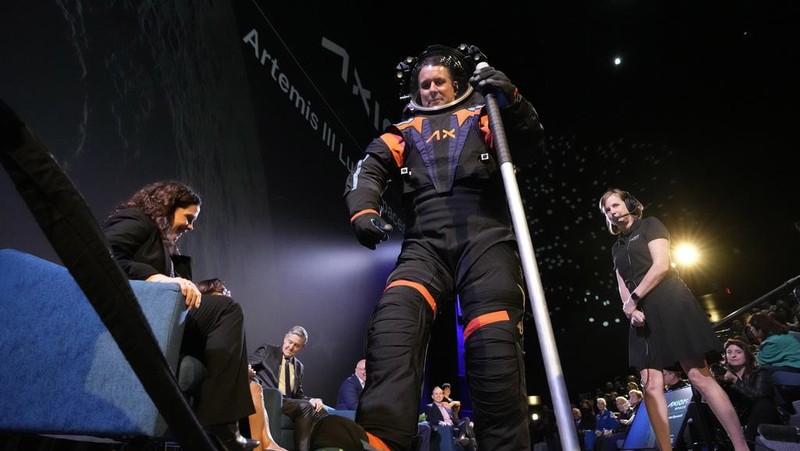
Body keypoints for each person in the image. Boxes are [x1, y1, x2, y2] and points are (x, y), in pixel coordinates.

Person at [335, 43, 545, 451]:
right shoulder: (402, 131)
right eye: (425, 83)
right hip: (425, 246)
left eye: (439, 82)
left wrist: (514, 102)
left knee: (494, 346)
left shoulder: (484, 116)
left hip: (486, 241)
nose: (431, 89)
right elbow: (368, 169)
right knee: (393, 325)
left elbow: (529, 144)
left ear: (457, 84)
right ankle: (380, 441)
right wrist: (363, 211)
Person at [102, 181, 258, 450]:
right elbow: (104, 254)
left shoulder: (168, 248)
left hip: (165, 321)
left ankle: (220, 424)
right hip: (137, 317)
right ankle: (219, 424)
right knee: (226, 309)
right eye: (188, 218)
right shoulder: (136, 220)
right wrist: (155, 277)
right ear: (168, 206)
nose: (191, 227)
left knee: (225, 324)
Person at [598, 188, 749, 451]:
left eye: (615, 205)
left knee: (699, 376)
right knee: (649, 385)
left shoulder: (650, 224)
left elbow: (661, 266)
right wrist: (630, 309)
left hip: (670, 302)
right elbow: (621, 284)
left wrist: (634, 298)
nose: (612, 211)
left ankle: (740, 446)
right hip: (641, 313)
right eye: (607, 210)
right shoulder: (616, 248)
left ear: (629, 203)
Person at [196, 278, 287, 451]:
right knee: (251, 387)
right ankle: (261, 446)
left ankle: (267, 442)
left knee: (255, 387)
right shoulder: (206, 320)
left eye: (226, 292)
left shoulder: (224, 325)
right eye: (222, 292)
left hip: (223, 371)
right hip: (209, 370)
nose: (227, 295)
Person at [249, 326, 329, 451]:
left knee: (321, 412)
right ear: (285, 337)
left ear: (302, 347)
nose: (291, 347)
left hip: (289, 402)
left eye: (296, 345)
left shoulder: (299, 366)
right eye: (290, 342)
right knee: (306, 407)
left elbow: (298, 395)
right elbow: (247, 367)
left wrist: (312, 400)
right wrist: (250, 373)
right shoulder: (267, 350)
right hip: (271, 399)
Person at [336, 359, 432, 451]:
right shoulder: (350, 384)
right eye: (363, 369)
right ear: (356, 370)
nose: (366, 372)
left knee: (424, 428)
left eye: (368, 369)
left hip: (371, 422)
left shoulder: (369, 385)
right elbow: (355, 406)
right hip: (353, 422)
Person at [717, 337, 781, 446]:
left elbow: (759, 396)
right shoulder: (724, 378)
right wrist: (720, 382)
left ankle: (747, 443)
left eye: (738, 352)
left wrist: (735, 381)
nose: (733, 355)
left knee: (763, 404)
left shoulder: (760, 372)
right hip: (741, 419)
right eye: (729, 352)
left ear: (746, 355)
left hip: (765, 415)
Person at [425, 386, 476, 451]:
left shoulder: (448, 408)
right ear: (432, 396)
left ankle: (461, 437)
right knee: (468, 438)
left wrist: (467, 423)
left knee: (467, 419)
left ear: (443, 396)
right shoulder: (430, 406)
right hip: (446, 428)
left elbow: (456, 421)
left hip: (454, 426)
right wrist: (442, 422)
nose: (438, 395)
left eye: (440, 393)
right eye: (436, 394)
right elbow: (430, 419)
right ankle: (461, 439)